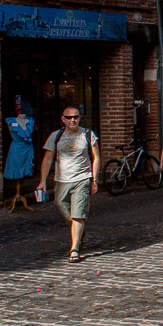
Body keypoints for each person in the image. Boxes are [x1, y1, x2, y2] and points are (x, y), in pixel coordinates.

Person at [36, 107, 101, 263]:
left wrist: (94, 180)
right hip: (62, 180)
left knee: (78, 213)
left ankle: (74, 248)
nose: (73, 120)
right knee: (61, 205)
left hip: (82, 179)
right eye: (69, 117)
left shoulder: (88, 135)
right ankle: (77, 230)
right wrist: (42, 181)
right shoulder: (56, 136)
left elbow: (96, 158)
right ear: (63, 119)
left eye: (76, 117)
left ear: (79, 118)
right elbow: (47, 159)